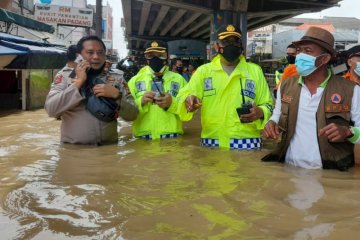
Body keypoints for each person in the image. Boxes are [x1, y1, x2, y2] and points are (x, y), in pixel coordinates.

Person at [262, 26, 360, 171]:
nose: (300, 56)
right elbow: (277, 114)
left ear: (324, 58)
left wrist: (348, 132)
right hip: (289, 169)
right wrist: (271, 123)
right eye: (299, 51)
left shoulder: (351, 90)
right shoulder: (286, 84)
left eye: (308, 51)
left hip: (330, 173)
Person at [176, 24, 274, 150]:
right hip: (211, 142)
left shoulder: (255, 71)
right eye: (225, 42)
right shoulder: (203, 72)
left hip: (248, 143)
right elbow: (181, 96)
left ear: (241, 45)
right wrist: (188, 100)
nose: (230, 46)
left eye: (235, 41)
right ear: (217, 46)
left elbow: (268, 104)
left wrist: (261, 112)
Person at [45, 36, 138, 145]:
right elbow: (51, 109)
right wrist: (78, 83)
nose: (96, 57)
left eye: (100, 53)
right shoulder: (65, 76)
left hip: (109, 151)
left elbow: (133, 115)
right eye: (90, 52)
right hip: (74, 153)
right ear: (79, 55)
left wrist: (117, 96)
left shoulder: (117, 78)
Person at [127, 40, 187, 139]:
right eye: (150, 55)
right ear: (146, 57)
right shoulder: (134, 81)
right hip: (143, 140)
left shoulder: (179, 80)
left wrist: (172, 103)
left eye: (160, 55)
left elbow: (189, 111)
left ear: (167, 56)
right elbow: (126, 112)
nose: (155, 58)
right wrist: (141, 101)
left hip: (172, 139)